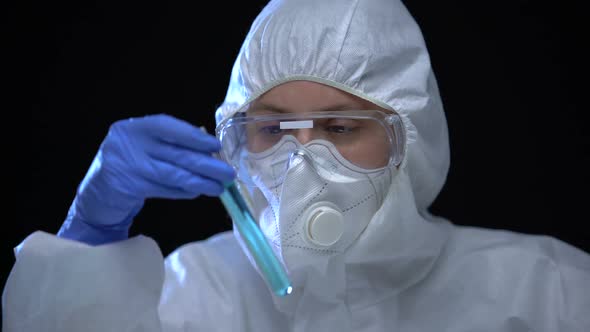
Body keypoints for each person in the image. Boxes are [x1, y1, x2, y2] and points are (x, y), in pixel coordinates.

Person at [4, 0, 589, 330]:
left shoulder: (549, 292)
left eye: (340, 128)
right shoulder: (193, 295)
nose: (304, 160)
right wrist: (89, 242)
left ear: (410, 137)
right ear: (235, 139)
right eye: (271, 128)